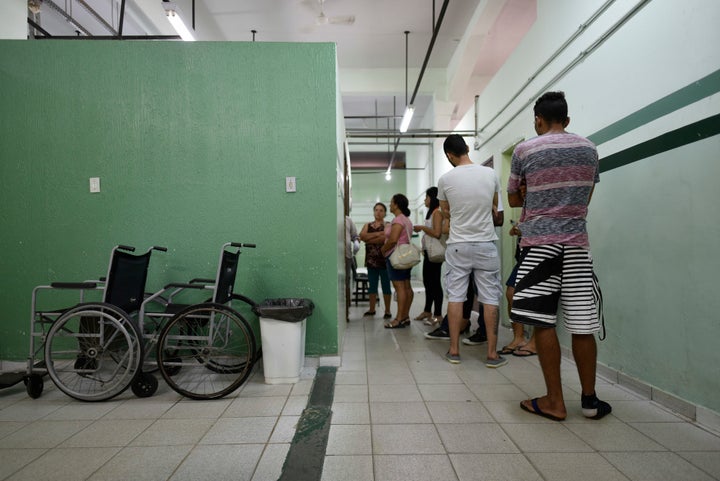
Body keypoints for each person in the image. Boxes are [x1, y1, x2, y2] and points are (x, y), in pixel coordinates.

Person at [508, 91, 610, 421]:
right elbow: (586, 197)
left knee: (541, 321)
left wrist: (533, 194)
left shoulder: (524, 150)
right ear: (567, 120)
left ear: (538, 119)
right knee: (582, 325)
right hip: (577, 244)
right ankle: (590, 401)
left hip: (539, 243)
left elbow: (513, 198)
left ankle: (554, 400)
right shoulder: (589, 148)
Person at [437, 134, 506, 367]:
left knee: (456, 296)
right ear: (467, 148)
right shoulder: (491, 174)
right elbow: (496, 210)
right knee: (490, 299)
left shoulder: (445, 179)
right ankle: (492, 355)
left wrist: (458, 212)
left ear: (449, 155)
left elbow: (445, 212)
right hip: (486, 243)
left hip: (458, 245)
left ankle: (454, 351)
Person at [413, 187, 447, 326]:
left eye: (426, 197)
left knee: (434, 283)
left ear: (432, 198)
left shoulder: (437, 213)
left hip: (435, 254)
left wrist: (422, 227)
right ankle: (427, 310)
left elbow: (437, 233)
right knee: (428, 282)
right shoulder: (431, 213)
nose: (424, 200)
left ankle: (438, 314)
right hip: (428, 252)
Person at [380, 194, 415, 328]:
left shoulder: (398, 220)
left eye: (391, 203)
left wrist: (383, 249)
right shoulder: (407, 220)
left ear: (396, 205)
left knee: (399, 288)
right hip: (405, 256)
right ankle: (405, 316)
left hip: (396, 256)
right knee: (406, 286)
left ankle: (399, 318)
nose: (389, 205)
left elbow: (393, 239)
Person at [359, 202, 392, 319]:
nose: (378, 212)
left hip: (384, 260)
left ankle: (387, 311)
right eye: (376, 210)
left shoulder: (388, 225)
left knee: (386, 286)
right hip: (371, 260)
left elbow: (385, 239)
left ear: (385, 213)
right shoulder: (367, 225)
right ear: (373, 212)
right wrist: (379, 234)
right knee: (372, 286)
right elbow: (362, 237)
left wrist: (370, 237)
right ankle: (372, 309)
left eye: (381, 210)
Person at [345, 215, 360, 321]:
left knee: (345, 282)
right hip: (333, 255)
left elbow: (355, 236)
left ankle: (345, 311)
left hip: (346, 256)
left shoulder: (347, 220)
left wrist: (356, 243)